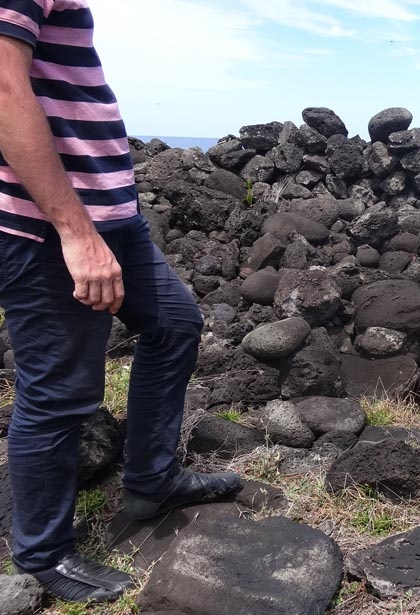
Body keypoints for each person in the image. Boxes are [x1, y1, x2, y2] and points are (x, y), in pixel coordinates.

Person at [0, 0, 241, 603]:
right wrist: (76, 233)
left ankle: (151, 481)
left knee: (175, 323)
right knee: (59, 393)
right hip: (47, 227)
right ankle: (43, 555)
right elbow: (4, 85)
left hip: (114, 217)